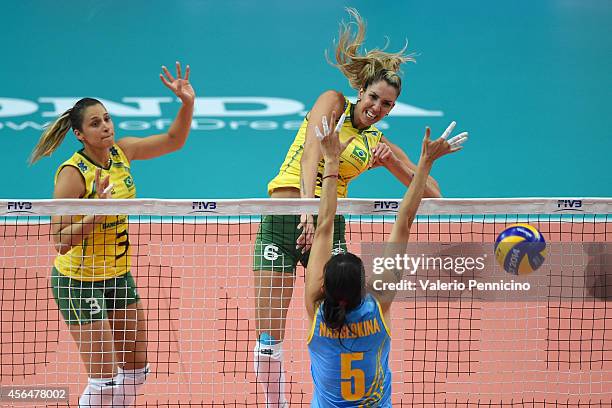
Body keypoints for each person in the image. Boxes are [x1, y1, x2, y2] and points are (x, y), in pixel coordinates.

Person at [252, 8, 455, 406]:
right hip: (287, 216)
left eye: (388, 104)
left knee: (343, 315)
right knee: (267, 341)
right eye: (375, 97)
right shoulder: (332, 102)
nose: (378, 107)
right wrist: (309, 213)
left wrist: (394, 161)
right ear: (361, 91)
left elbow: (433, 194)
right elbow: (313, 152)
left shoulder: (373, 143)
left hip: (330, 224)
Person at [29, 62, 195, 407]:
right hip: (79, 281)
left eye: (106, 119)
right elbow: (60, 240)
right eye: (95, 123)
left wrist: (187, 104)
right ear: (80, 134)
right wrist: (96, 212)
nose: (105, 127)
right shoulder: (74, 174)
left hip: (118, 275)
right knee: (103, 382)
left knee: (136, 371)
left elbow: (173, 140)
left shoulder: (123, 153)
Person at [305, 112, 466, 406]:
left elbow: (324, 225)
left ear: (323, 286)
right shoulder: (378, 304)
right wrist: (426, 162)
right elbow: (404, 220)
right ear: (364, 285)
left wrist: (330, 160)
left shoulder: (316, 312)